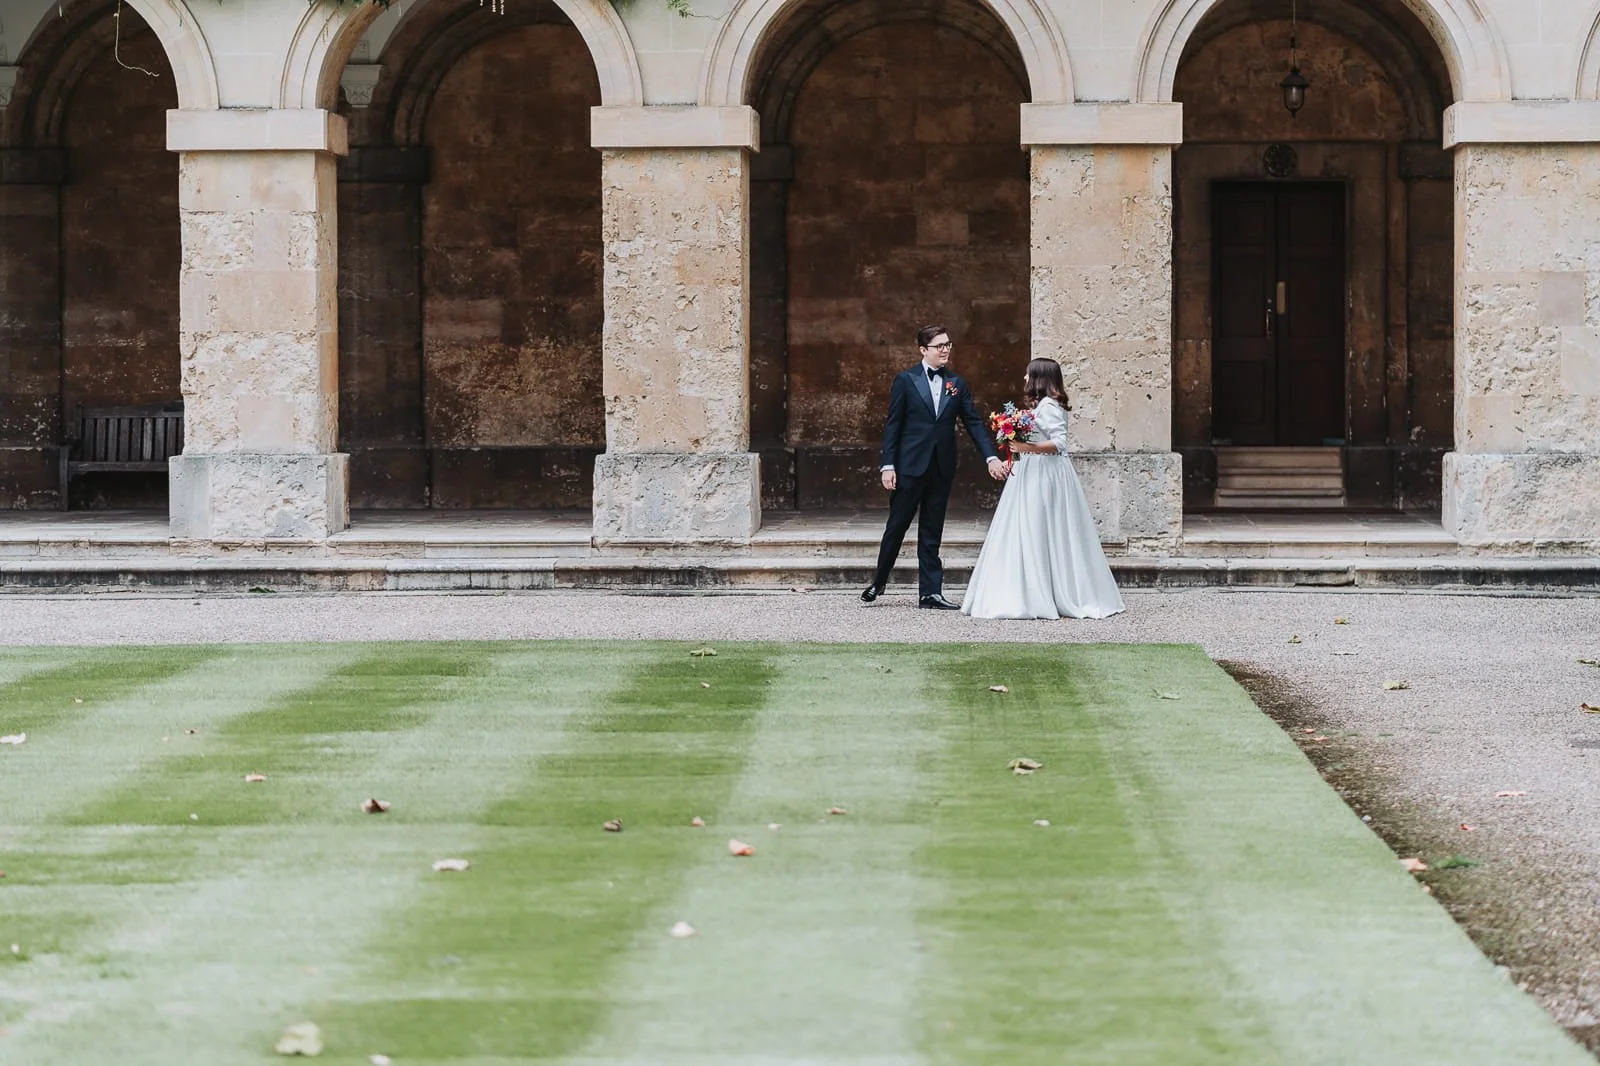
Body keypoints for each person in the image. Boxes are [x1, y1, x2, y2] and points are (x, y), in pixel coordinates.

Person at [961, 358, 1125, 620]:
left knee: (1038, 525)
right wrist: (1012, 457)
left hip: (1045, 474)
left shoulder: (1049, 406)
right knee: (1027, 526)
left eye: (1028, 375)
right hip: (1032, 471)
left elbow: (1059, 443)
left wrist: (1027, 448)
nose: (1025, 379)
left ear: (1039, 379)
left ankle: (1041, 592)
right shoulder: (1042, 406)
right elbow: (1033, 441)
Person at [862, 325, 1009, 610]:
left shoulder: (957, 383)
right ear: (923, 350)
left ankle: (930, 593)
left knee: (932, 530)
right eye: (939, 345)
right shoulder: (906, 381)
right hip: (909, 467)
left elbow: (974, 423)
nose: (945, 350)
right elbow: (893, 426)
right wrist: (887, 465)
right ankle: (878, 582)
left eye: (948, 345)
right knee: (897, 526)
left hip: (941, 467)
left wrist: (991, 457)